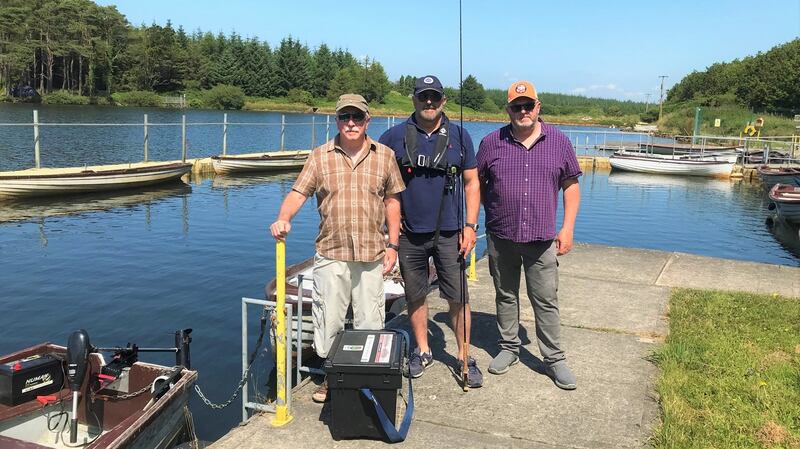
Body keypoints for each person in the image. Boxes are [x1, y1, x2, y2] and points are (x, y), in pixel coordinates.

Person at [270, 93, 405, 402]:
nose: (351, 123)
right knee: (328, 320)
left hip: (372, 252)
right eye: (345, 117)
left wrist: (394, 245)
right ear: (337, 120)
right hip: (332, 252)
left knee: (370, 320)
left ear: (368, 120)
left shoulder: (384, 155)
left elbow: (392, 201)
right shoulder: (320, 156)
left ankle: (364, 379)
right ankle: (333, 377)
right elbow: (298, 192)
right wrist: (283, 218)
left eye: (357, 117)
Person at [476, 80, 582, 390]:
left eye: (528, 105)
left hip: (541, 238)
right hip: (501, 236)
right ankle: (509, 347)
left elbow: (571, 185)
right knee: (505, 295)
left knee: (545, 300)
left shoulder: (559, 142)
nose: (523, 111)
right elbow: (477, 185)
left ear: (538, 107)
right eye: (516, 106)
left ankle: (554, 358)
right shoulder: (491, 143)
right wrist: (492, 210)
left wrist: (568, 227)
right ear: (508, 109)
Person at [379, 75, 483, 388]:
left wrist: (471, 226)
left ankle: (464, 356)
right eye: (423, 96)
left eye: (434, 97)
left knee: (458, 296)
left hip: (451, 233)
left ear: (443, 101)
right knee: (415, 295)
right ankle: (422, 351)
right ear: (414, 99)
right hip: (409, 234)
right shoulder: (393, 137)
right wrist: (389, 238)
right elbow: (377, 184)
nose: (428, 103)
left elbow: (472, 182)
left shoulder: (460, 136)